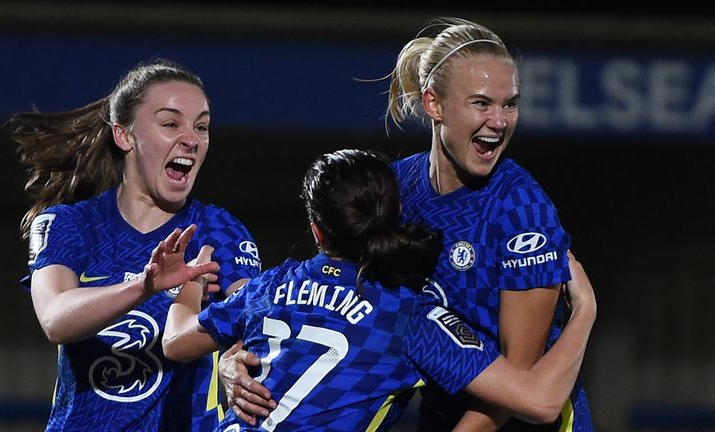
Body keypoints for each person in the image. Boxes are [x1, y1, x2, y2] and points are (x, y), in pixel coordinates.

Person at [219, 17, 594, 432]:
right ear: (434, 104)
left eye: (510, 104)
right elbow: (320, 296)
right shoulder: (395, 188)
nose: (500, 121)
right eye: (482, 103)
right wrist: (235, 360)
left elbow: (520, 387)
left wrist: (585, 311)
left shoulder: (523, 213)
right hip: (440, 414)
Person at [163, 148, 596, 432]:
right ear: (399, 212)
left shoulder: (269, 285)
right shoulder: (406, 317)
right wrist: (584, 313)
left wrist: (190, 283)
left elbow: (177, 342)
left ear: (316, 230)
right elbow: (540, 403)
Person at [7, 58, 261, 431]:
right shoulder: (70, 224)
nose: (191, 139)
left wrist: (233, 360)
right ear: (124, 135)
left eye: (202, 126)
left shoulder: (218, 230)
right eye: (171, 123)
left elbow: (253, 321)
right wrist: (146, 286)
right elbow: (55, 319)